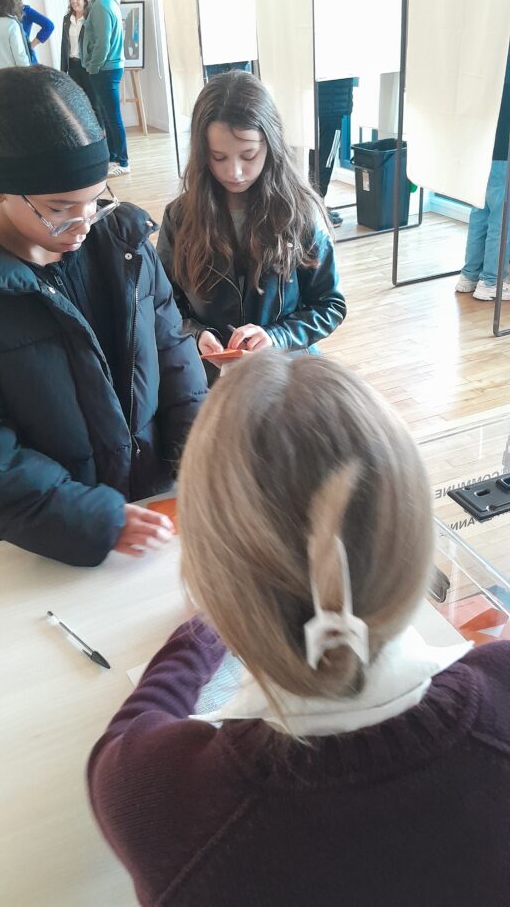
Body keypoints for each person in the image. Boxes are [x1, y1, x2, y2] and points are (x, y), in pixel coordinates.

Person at [88, 352, 510, 907]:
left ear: (211, 585)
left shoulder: (158, 802)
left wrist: (198, 635)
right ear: (413, 544)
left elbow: (123, 742)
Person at [0, 66, 207, 568]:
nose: (83, 224)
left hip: (154, 513)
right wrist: (96, 519)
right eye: (59, 209)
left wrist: (201, 455)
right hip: (44, 541)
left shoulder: (125, 247)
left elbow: (174, 356)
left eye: (95, 201)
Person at [157, 71, 346, 384]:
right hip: (210, 378)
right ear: (203, 154)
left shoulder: (299, 213)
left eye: (249, 155)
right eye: (219, 157)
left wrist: (277, 336)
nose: (234, 172)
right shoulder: (180, 217)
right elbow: (163, 302)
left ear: (271, 144)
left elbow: (330, 305)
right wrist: (196, 334)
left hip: (284, 374)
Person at [455, 48, 510, 300]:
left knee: (481, 209)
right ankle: (490, 282)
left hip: (482, 147)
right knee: (502, 215)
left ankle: (469, 276)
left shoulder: (488, 49)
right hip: (503, 148)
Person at [77, 0, 129, 176]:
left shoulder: (101, 5)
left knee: (113, 117)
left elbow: (102, 43)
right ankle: (115, 157)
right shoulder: (105, 2)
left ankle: (123, 161)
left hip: (105, 69)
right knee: (108, 116)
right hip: (108, 68)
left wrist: (93, 67)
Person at [308, 77, 355, 227]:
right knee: (325, 163)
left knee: (315, 162)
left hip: (320, 106)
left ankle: (315, 206)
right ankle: (318, 210)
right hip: (330, 107)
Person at [60, 0, 91, 99]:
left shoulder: (90, 18)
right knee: (76, 101)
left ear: (85, 0)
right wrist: (63, 71)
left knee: (92, 101)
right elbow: (64, 45)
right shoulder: (67, 19)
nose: (74, 1)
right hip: (72, 66)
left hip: (87, 67)